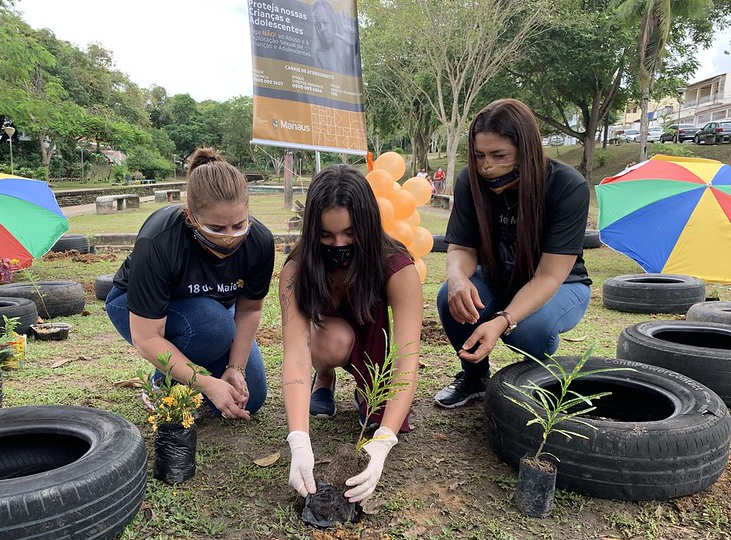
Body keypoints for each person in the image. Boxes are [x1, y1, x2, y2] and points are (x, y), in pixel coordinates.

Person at [434, 98, 591, 408]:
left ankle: (535, 384)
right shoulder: (470, 180)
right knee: (448, 296)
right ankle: (475, 377)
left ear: (526, 150)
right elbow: (462, 247)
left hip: (561, 284)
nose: (486, 166)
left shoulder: (568, 187)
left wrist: (503, 321)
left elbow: (549, 275)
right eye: (479, 155)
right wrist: (455, 278)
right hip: (497, 277)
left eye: (499, 155)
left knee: (530, 331)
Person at [280, 164, 422, 503]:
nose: (339, 244)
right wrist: (299, 440)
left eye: (349, 233)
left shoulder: (397, 268)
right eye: (327, 237)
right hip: (329, 339)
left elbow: (407, 357)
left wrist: (384, 440)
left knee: (384, 413)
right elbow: (297, 355)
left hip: (373, 348)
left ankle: (365, 389)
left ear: (368, 225)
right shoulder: (297, 270)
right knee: (333, 339)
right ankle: (325, 379)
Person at [105, 148, 275, 419]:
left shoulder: (260, 242)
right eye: (217, 229)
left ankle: (188, 374)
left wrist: (235, 368)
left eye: (238, 224)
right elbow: (147, 337)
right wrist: (206, 383)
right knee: (215, 325)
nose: (230, 237)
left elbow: (250, 309)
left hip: (213, 313)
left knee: (249, 397)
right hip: (135, 307)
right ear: (191, 216)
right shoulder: (160, 240)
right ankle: (164, 382)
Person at [312, 0, 359, 75]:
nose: (322, 29)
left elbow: (351, 78)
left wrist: (352, 47)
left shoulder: (345, 45)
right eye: (318, 25)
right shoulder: (318, 54)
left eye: (325, 23)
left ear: (333, 22)